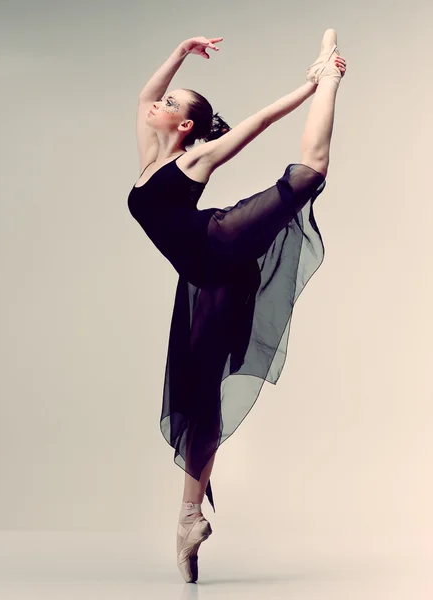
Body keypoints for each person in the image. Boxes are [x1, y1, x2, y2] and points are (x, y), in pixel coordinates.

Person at [127, 30, 346, 583]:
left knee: (309, 173)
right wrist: (179, 52)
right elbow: (141, 99)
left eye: (172, 104)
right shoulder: (151, 158)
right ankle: (187, 519)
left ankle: (332, 79)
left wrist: (310, 84)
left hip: (219, 241)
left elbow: (259, 122)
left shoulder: (194, 160)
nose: (160, 102)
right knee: (199, 399)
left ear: (185, 129)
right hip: (209, 280)